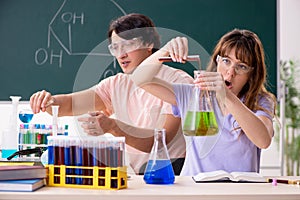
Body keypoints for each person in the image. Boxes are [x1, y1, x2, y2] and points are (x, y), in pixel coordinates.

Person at [29, 13, 194, 175]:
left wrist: (113, 127)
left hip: (172, 174)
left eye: (128, 44)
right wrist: (48, 101)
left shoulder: (177, 81)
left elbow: (160, 142)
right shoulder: (117, 83)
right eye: (115, 47)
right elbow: (70, 105)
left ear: (149, 44)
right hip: (138, 176)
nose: (121, 54)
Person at [130, 29, 276, 176]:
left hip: (239, 193)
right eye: (226, 61)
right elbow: (140, 79)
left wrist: (228, 97)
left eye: (242, 66)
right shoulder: (193, 95)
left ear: (252, 74)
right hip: (195, 191)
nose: (230, 72)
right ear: (217, 61)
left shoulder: (261, 101)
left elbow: (263, 141)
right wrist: (166, 50)